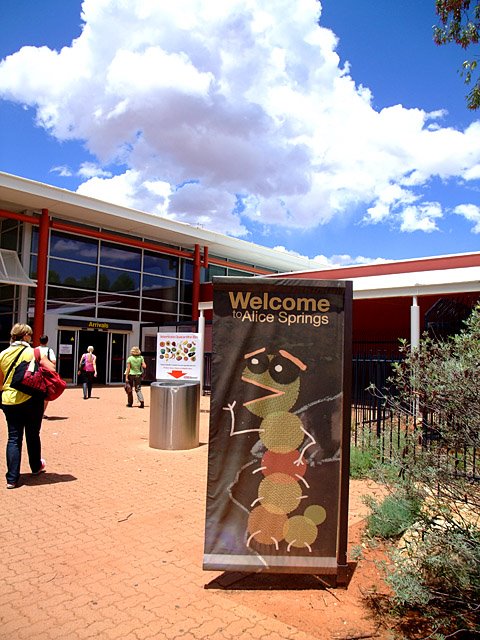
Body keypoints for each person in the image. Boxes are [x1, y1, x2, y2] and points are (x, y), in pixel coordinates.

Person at [0, 323, 46, 489]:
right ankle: (36, 466)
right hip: (31, 399)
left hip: (9, 399)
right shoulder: (34, 352)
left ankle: (12, 479)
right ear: (25, 335)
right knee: (33, 434)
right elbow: (51, 369)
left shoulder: (3, 354)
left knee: (13, 438)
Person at [37, 335, 56, 417]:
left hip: (36, 373)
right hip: (45, 374)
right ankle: (41, 413)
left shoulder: (35, 350)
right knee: (46, 394)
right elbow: (54, 361)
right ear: (47, 341)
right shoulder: (49, 350)